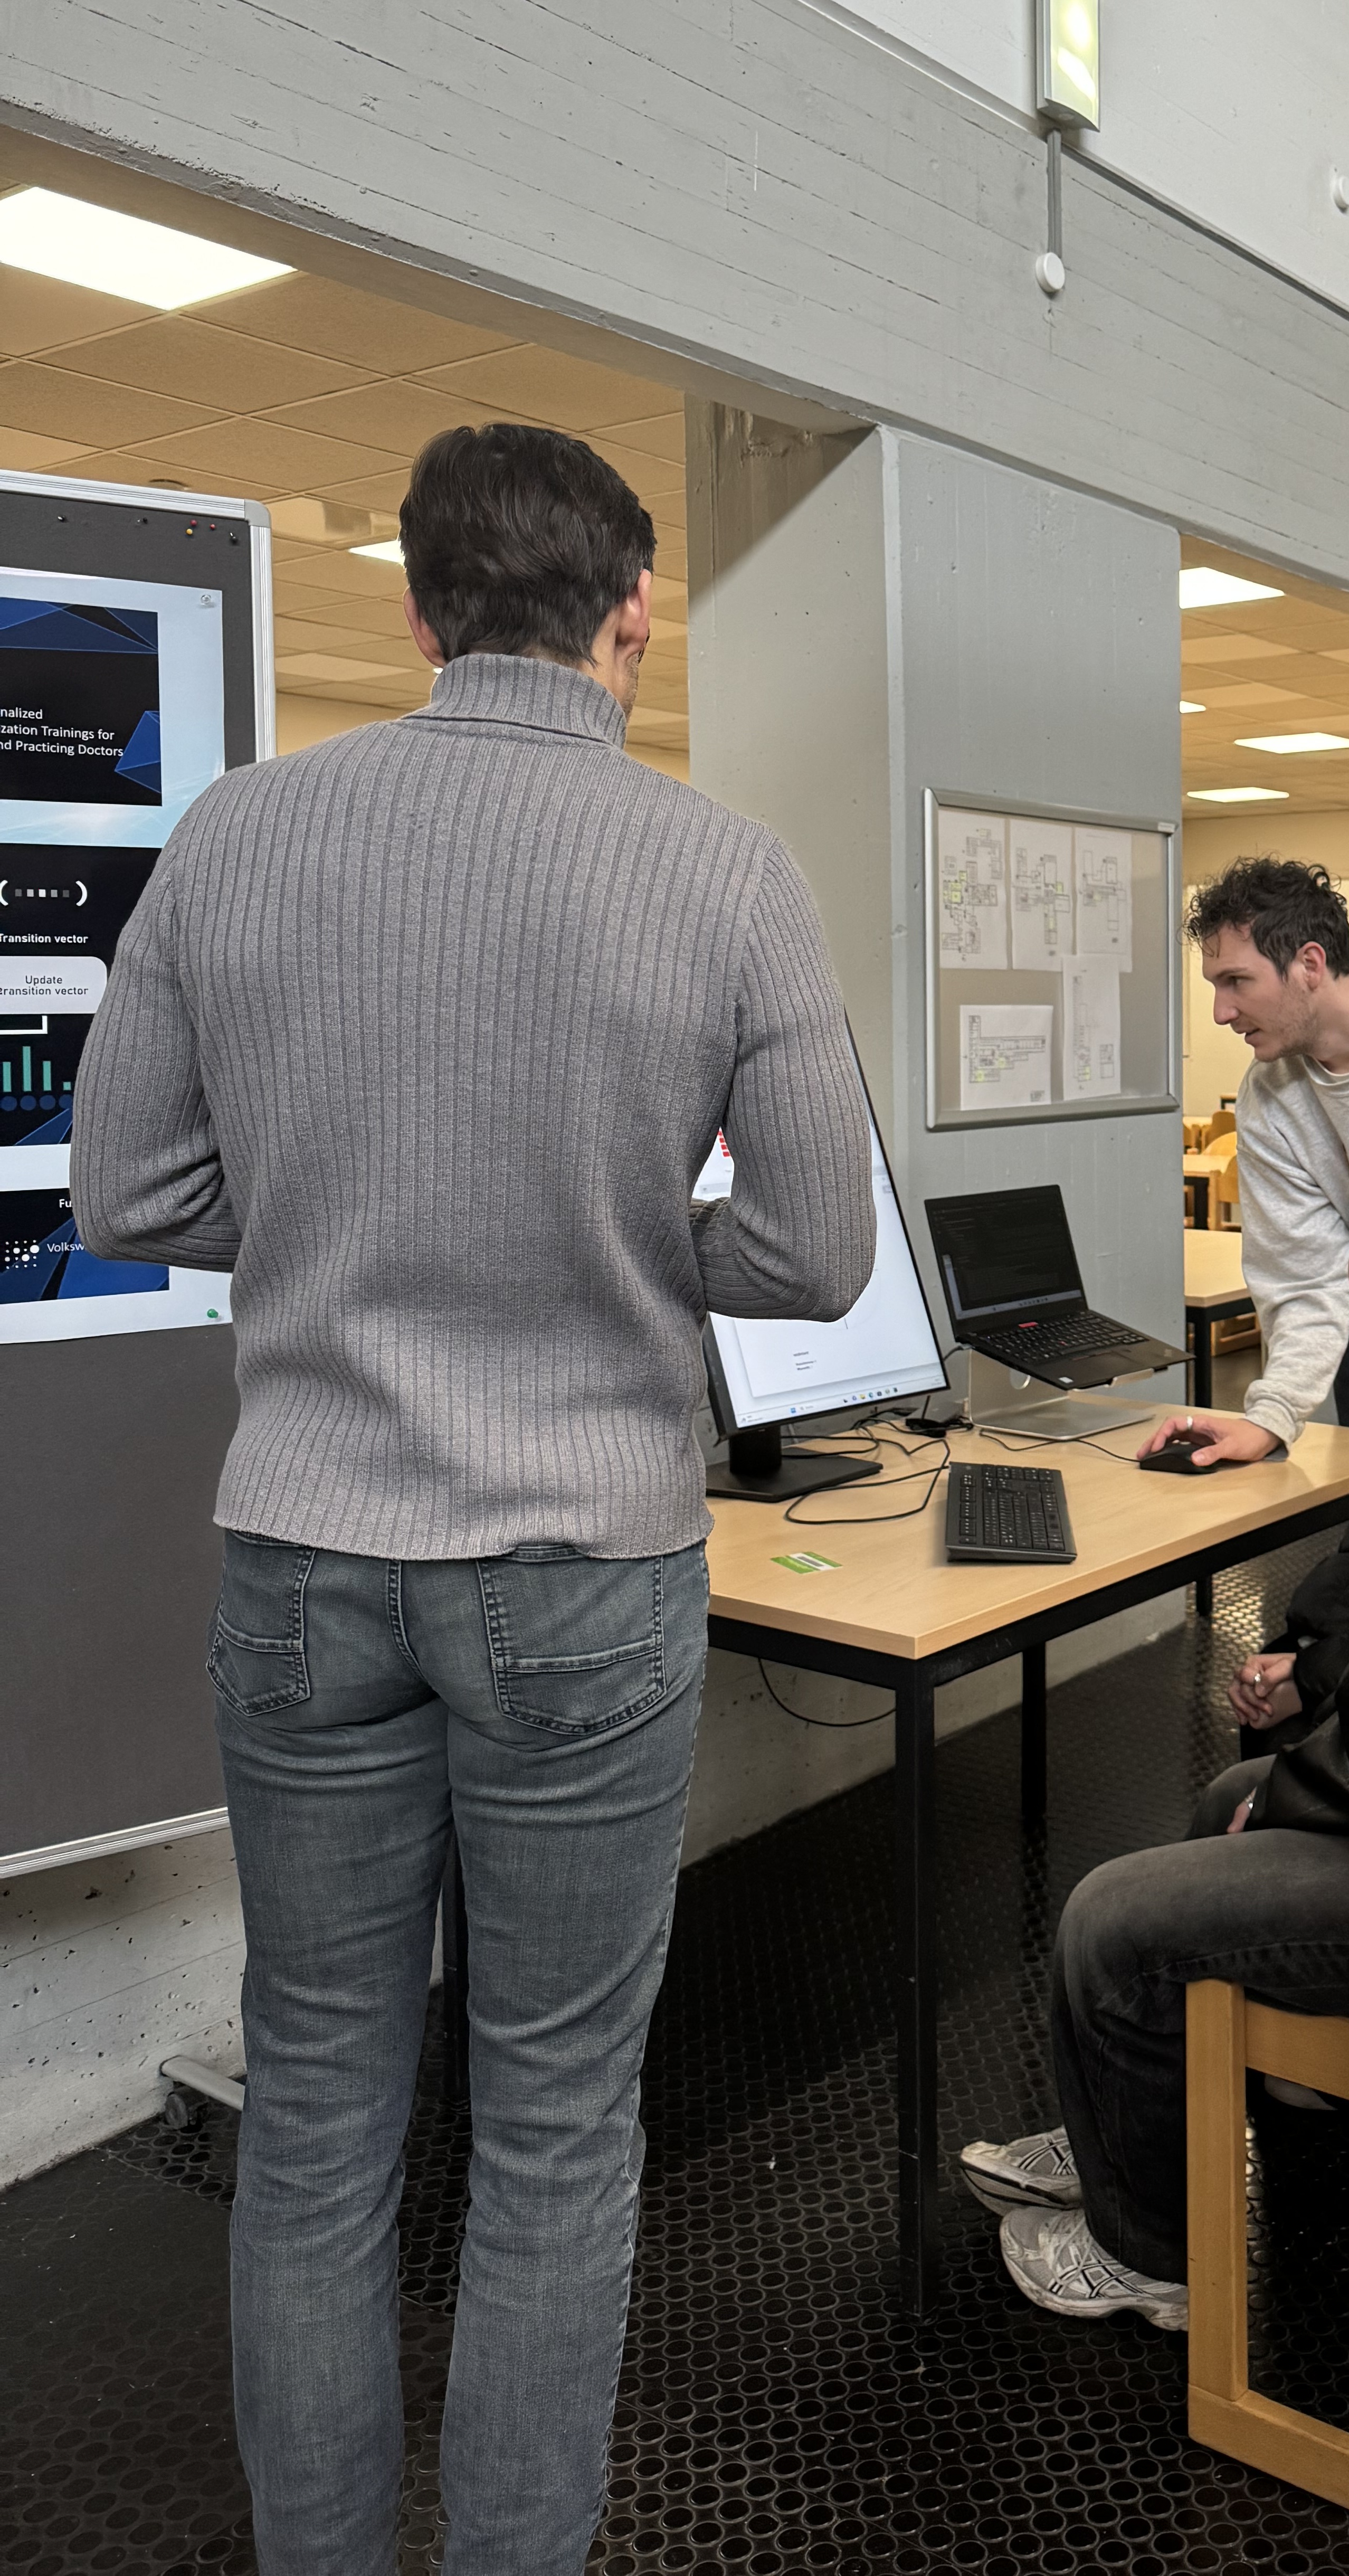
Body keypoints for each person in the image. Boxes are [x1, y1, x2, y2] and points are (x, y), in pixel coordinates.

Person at [73, 422, 875, 2576]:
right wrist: (615, 1234)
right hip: (582, 1577)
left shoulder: (235, 839)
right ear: (632, 619)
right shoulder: (724, 872)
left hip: (305, 1558)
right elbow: (814, 1255)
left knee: (318, 2123)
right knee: (551, 2135)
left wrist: (349, 1219)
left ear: (420, 609)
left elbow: (126, 1186)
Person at [962, 1148, 1349, 2327]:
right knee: (1220, 1792)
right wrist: (1308, 1703)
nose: (1346, 1258)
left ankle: (1149, 2252)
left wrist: (1296, 1793)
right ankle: (1135, 2143)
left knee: (1109, 1920)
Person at [1165, 857, 1349, 1467]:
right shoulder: (1270, 1097)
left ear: (1310, 966)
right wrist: (1272, 1416)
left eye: (1236, 981)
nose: (1220, 1011)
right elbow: (1306, 1278)